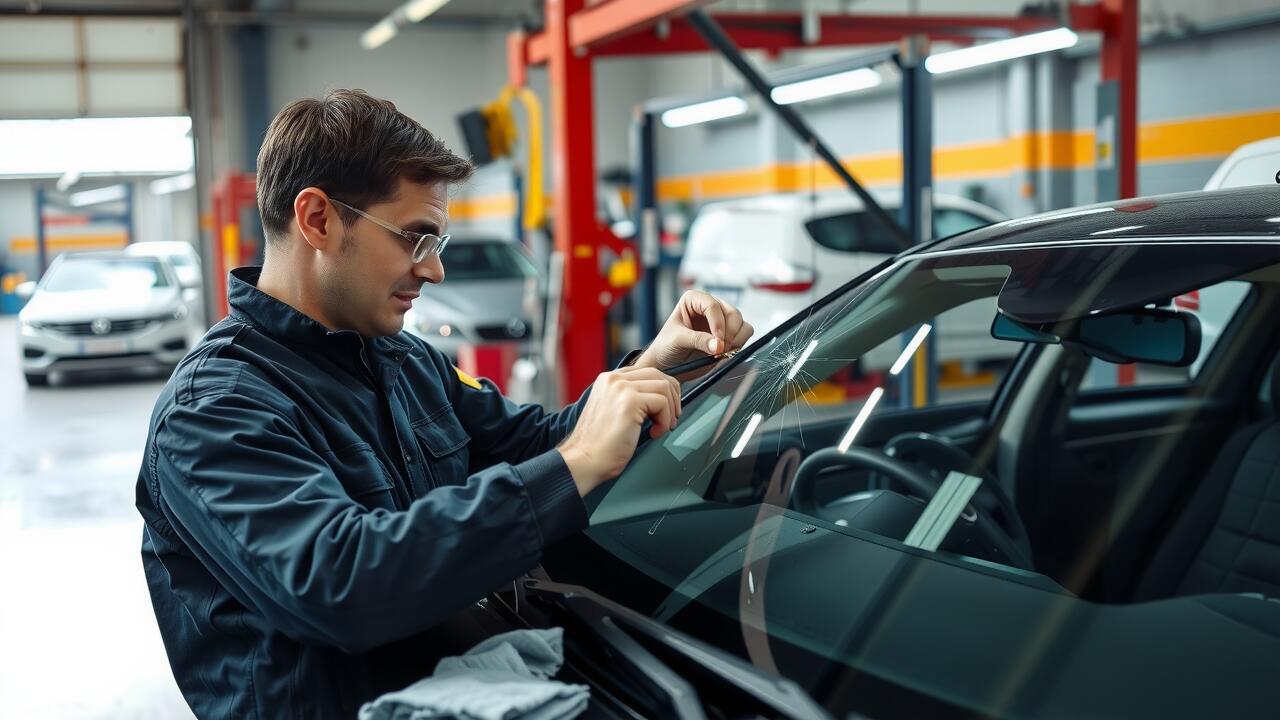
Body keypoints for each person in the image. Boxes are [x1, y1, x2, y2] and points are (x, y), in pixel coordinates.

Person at [134, 88, 753, 718]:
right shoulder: (214, 410)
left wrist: (650, 368)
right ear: (318, 219)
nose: (433, 272)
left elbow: (537, 446)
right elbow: (341, 584)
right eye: (414, 238)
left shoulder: (402, 360)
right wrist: (578, 461)